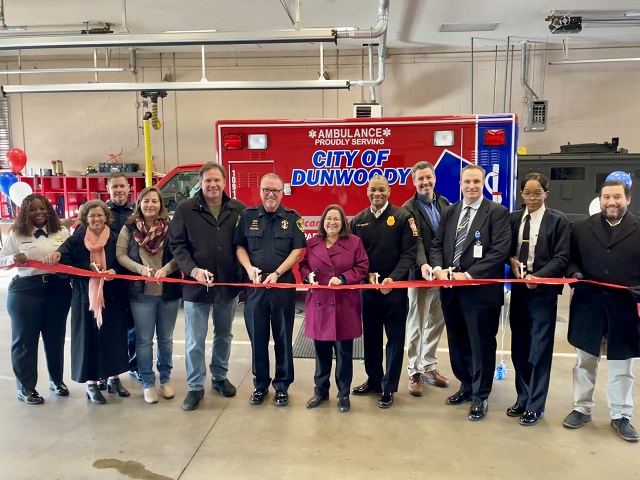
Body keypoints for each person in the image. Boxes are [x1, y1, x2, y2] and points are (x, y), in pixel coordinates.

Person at [430, 164, 511, 421]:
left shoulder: (497, 212)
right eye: (467, 182)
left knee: (481, 344)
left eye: (476, 181)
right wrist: (438, 269)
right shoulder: (450, 211)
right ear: (460, 184)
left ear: (483, 183)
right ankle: (465, 385)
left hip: (480, 293)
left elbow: (499, 251)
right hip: (451, 291)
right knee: (457, 342)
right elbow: (436, 245)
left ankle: (481, 395)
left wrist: (469, 275)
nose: (471, 186)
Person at [563, 180, 640, 442]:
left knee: (622, 365)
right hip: (589, 305)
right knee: (585, 362)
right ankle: (581, 408)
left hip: (625, 309)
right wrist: (573, 272)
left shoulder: (639, 228)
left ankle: (621, 415)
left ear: (628, 199)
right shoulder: (582, 227)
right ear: (600, 199)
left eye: (617, 197)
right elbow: (569, 257)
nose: (611, 202)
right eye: (607, 197)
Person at [169, 162, 246, 411]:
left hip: (227, 285)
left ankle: (220, 376)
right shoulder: (185, 209)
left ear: (225, 183)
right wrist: (193, 270)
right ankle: (195, 387)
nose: (212, 185)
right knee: (194, 339)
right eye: (208, 181)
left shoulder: (238, 210)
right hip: (196, 286)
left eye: (217, 180)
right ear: (200, 183)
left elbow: (243, 245)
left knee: (224, 334)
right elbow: (177, 245)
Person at [46, 200, 130, 404]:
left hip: (112, 296)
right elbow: (64, 266)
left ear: (106, 217)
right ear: (85, 218)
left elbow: (125, 262)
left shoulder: (115, 238)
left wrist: (114, 272)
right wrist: (86, 268)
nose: (96, 219)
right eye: (92, 215)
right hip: (85, 297)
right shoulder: (76, 239)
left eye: (100, 215)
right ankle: (91, 384)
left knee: (113, 337)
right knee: (87, 339)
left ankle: (113, 379)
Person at [234, 173, 306, 407]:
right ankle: (261, 385)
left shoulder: (292, 217)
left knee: (283, 337)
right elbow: (240, 247)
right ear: (260, 191)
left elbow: (297, 251)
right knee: (258, 337)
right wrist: (249, 269)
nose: (271, 194)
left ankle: (282, 386)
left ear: (282, 192)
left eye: (275, 190)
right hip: (255, 287)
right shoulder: (247, 216)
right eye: (267, 190)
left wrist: (276, 273)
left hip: (282, 285)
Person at [350, 174, 419, 408]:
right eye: (372, 190)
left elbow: (410, 252)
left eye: (381, 190)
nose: (377, 194)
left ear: (389, 192)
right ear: (367, 191)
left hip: (395, 290)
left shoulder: (403, 217)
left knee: (395, 339)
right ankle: (374, 380)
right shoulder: (358, 220)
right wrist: (367, 275)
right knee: (370, 337)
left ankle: (389, 387)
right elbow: (356, 256)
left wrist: (393, 278)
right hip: (368, 289)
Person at [506, 173, 569, 426]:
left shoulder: (558, 222)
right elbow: (505, 249)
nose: (532, 198)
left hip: (543, 294)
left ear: (546, 194)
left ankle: (536, 405)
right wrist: (510, 261)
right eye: (527, 193)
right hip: (519, 291)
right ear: (521, 194)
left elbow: (561, 257)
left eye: (537, 193)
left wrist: (539, 277)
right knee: (519, 348)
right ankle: (523, 397)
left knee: (539, 350)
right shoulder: (512, 219)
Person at [0, 194, 72, 404]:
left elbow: (70, 255)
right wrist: (13, 258)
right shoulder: (17, 234)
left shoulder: (61, 232)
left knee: (55, 337)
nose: (39, 212)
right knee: (25, 341)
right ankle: (26, 388)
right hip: (26, 291)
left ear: (49, 209)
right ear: (26, 213)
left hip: (57, 289)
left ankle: (57, 381)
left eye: (42, 208)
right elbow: (1, 260)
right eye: (33, 209)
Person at [299, 205, 369, 413]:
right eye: (328, 219)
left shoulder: (354, 243)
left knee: (344, 353)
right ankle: (320, 391)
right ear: (323, 221)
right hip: (319, 304)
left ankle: (344, 394)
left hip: (344, 303)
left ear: (343, 223)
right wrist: (308, 275)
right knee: (320, 353)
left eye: (336, 219)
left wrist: (344, 278)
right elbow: (303, 265)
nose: (332, 223)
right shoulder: (312, 243)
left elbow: (362, 267)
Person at [117, 187, 182, 404]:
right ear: (139, 204)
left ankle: (165, 379)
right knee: (144, 340)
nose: (150, 205)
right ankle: (147, 382)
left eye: (154, 201)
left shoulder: (170, 227)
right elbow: (120, 255)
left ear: (160, 205)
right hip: (141, 294)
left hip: (168, 294)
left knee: (166, 339)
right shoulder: (129, 228)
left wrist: (168, 269)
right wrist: (139, 269)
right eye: (146, 201)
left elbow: (180, 253)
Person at [401, 161, 451, 396]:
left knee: (437, 322)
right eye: (420, 179)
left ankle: (429, 365)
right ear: (414, 182)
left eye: (428, 177)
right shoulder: (408, 208)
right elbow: (416, 241)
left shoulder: (444, 204)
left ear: (434, 178)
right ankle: (414, 370)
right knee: (416, 325)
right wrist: (423, 265)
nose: (425, 182)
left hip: (443, 275)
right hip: (420, 275)